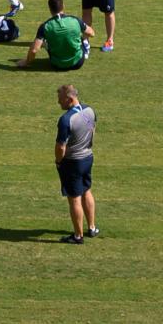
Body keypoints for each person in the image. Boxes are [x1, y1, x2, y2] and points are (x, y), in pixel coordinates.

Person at [54, 85, 98, 242]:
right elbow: (92, 130)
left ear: (69, 99)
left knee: (74, 198)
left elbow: (60, 147)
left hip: (73, 162)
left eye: (61, 100)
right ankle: (92, 228)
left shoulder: (66, 120)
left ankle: (78, 236)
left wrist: (59, 162)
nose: (59, 103)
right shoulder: (90, 111)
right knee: (87, 190)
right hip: (88, 157)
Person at [24, 0, 91, 70]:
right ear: (63, 6)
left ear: (50, 9)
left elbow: (34, 50)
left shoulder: (45, 26)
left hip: (57, 65)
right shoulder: (75, 20)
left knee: (44, 41)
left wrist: (26, 62)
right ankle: (85, 48)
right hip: (78, 63)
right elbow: (91, 33)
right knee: (81, 37)